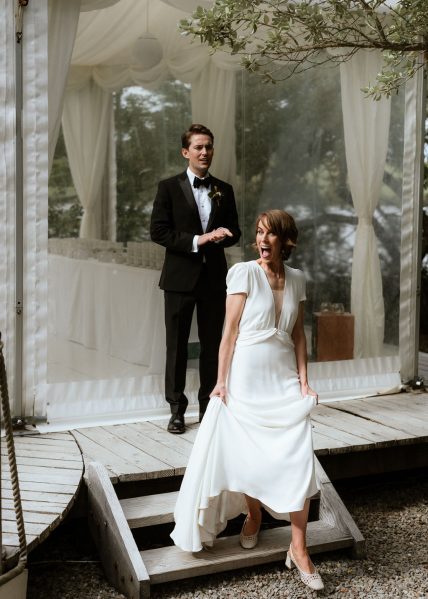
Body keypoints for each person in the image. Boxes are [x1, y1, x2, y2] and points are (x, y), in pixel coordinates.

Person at [170, 209, 324, 592]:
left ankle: (299, 547)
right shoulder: (243, 273)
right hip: (247, 379)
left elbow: (299, 335)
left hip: (284, 379)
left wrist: (304, 382)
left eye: (270, 234)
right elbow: (229, 334)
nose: (263, 240)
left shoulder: (298, 280)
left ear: (286, 240)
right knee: (250, 452)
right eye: (258, 233)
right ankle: (252, 514)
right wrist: (221, 382)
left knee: (297, 454)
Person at [150, 124, 241, 434]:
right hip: (178, 281)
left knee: (212, 345)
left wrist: (224, 237)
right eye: (199, 147)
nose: (205, 152)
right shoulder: (168, 187)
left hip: (214, 280)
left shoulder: (224, 189)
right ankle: (176, 410)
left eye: (209, 147)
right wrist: (198, 240)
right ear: (185, 152)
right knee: (175, 346)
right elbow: (158, 231)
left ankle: (209, 408)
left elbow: (235, 231)